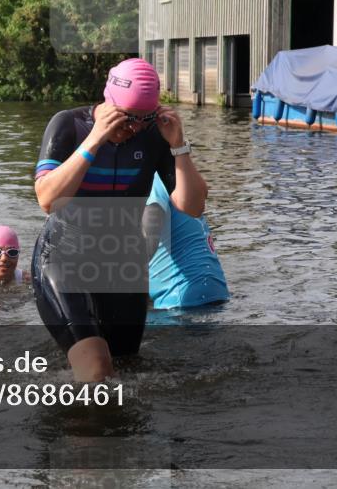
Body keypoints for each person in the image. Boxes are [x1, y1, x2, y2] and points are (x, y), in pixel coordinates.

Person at [32, 57, 208, 382]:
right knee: (96, 369)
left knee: (126, 371)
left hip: (123, 264)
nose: (135, 128)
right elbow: (47, 199)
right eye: (128, 118)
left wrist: (179, 146)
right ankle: (82, 430)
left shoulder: (154, 137)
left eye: (146, 118)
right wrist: (95, 140)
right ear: (108, 102)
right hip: (63, 258)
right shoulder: (69, 125)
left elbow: (193, 206)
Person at [145, 173, 228, 309]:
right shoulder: (180, 176)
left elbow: (148, 240)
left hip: (180, 301)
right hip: (216, 293)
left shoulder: (152, 179)